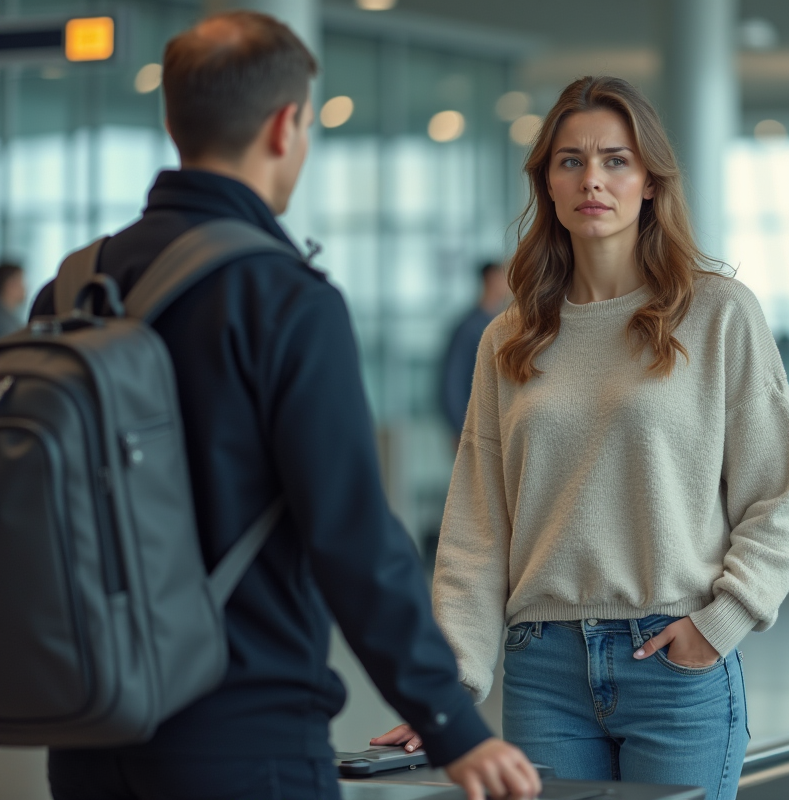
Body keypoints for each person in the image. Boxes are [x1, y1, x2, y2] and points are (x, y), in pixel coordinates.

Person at [30, 12, 538, 800]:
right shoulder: (283, 298)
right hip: (245, 736)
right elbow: (352, 532)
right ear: (285, 126)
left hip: (89, 731)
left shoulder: (70, 288)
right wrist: (451, 725)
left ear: (171, 121)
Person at [373, 75, 789, 800]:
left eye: (615, 159)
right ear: (546, 183)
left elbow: (775, 492)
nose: (592, 180)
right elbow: (478, 530)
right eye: (570, 161)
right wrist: (443, 690)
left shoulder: (719, 315)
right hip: (543, 669)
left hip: (675, 659)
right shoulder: (509, 339)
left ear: (649, 180)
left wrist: (721, 621)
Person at [440, 261, 509, 438]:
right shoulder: (470, 327)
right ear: (491, 279)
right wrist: (461, 427)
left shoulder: (501, 323)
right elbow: (452, 381)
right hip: (473, 429)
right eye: (503, 276)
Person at [0, 261, 26, 337]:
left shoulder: (9, 318)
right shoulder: (6, 324)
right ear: (10, 285)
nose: (24, 287)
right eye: (21, 281)